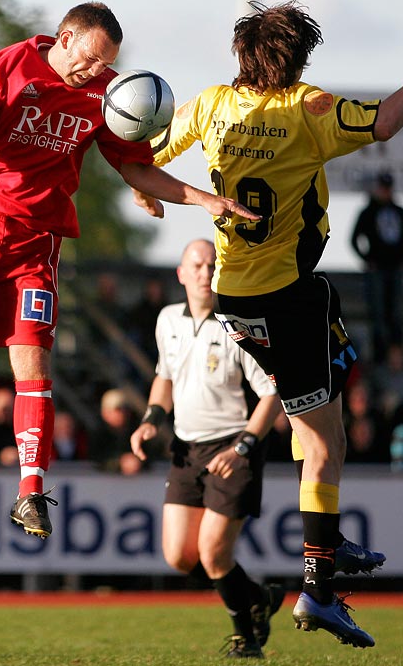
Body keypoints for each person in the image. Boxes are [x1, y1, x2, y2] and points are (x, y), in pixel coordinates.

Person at [134, 0, 403, 648]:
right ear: (298, 58)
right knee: (326, 443)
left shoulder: (216, 103)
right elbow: (387, 123)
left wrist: (146, 187)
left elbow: (147, 156)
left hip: (238, 301)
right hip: (288, 300)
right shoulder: (305, 109)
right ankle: (319, 588)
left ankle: (327, 544)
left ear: (242, 54)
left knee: (326, 400)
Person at [0, 1, 257, 539]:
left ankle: (31, 491)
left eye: (104, 62)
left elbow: (136, 166)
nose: (95, 71)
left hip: (34, 244)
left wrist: (204, 201)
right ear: (64, 39)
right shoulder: (6, 69)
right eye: (89, 59)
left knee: (35, 368)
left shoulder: (111, 93)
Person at [130, 239, 285, 658]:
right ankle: (258, 598)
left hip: (232, 446)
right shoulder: (167, 320)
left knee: (214, 554)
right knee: (179, 557)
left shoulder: (238, 323)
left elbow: (272, 392)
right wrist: (150, 421)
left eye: (211, 264)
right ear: (181, 273)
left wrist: (245, 446)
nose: (204, 271)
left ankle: (245, 637)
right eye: (196, 265)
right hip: (185, 447)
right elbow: (165, 376)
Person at [351, 171, 403, 362]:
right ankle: (380, 358)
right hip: (377, 270)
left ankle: (396, 358)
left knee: (395, 314)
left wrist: (402, 259)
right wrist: (368, 259)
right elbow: (354, 239)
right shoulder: (368, 212)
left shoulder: (400, 212)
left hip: (395, 269)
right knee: (378, 315)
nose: (385, 192)